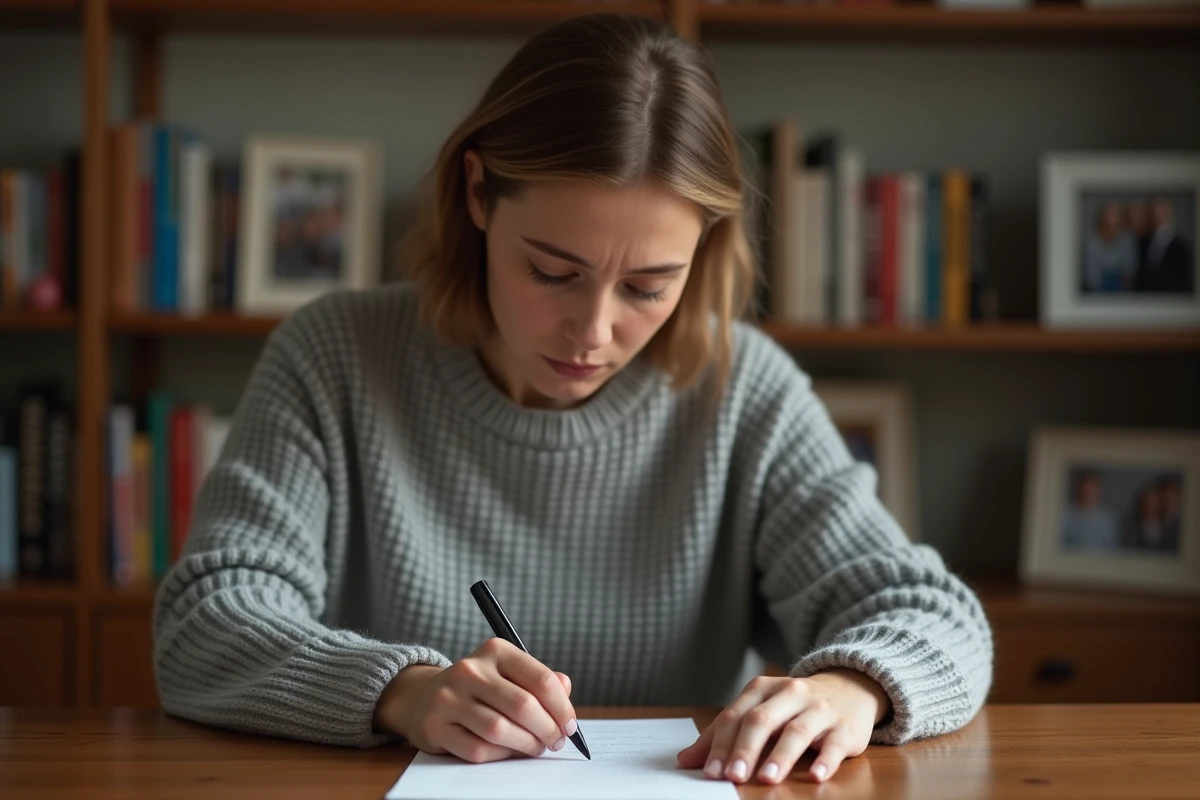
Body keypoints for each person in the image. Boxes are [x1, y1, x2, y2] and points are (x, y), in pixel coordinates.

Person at [152, 13, 992, 787]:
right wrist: (402, 691)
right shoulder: (335, 357)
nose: (593, 331)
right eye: (553, 272)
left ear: (703, 251)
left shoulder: (745, 390)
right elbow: (206, 623)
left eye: (647, 286)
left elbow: (935, 617)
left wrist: (851, 687)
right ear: (477, 194)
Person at [1134, 197, 1194, 294]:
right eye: (1153, 212)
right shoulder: (1143, 242)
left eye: (1161, 212)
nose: (1157, 215)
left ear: (1169, 213)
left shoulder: (1182, 247)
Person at [1082, 200, 1137, 293]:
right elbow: (1091, 278)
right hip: (1097, 293)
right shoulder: (1092, 242)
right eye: (1108, 219)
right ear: (1101, 220)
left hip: (1123, 294)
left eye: (1115, 218)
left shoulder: (1127, 239)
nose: (1111, 223)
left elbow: (1130, 270)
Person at [1061, 469, 1119, 552]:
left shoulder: (1108, 519)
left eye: (1093, 487)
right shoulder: (1065, 514)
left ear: (1099, 490)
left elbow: (1112, 551)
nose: (1088, 491)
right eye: (1085, 487)